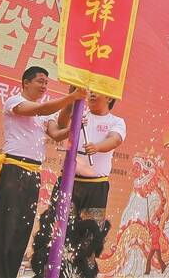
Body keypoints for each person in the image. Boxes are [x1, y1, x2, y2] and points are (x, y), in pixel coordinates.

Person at [0, 66, 87, 278]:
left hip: (33, 175)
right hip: (14, 171)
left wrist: (75, 124)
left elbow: (57, 134)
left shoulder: (44, 116)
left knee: (21, 230)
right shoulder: (15, 102)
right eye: (40, 81)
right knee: (4, 228)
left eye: (46, 82)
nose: (44, 86)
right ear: (26, 83)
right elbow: (42, 109)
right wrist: (71, 97)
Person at [31, 90, 126, 278]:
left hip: (96, 188)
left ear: (109, 97)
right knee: (56, 231)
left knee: (89, 239)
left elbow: (114, 140)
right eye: (91, 92)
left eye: (98, 92)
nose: (92, 95)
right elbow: (61, 125)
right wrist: (71, 99)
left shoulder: (116, 122)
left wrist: (97, 147)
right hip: (68, 183)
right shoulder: (80, 114)